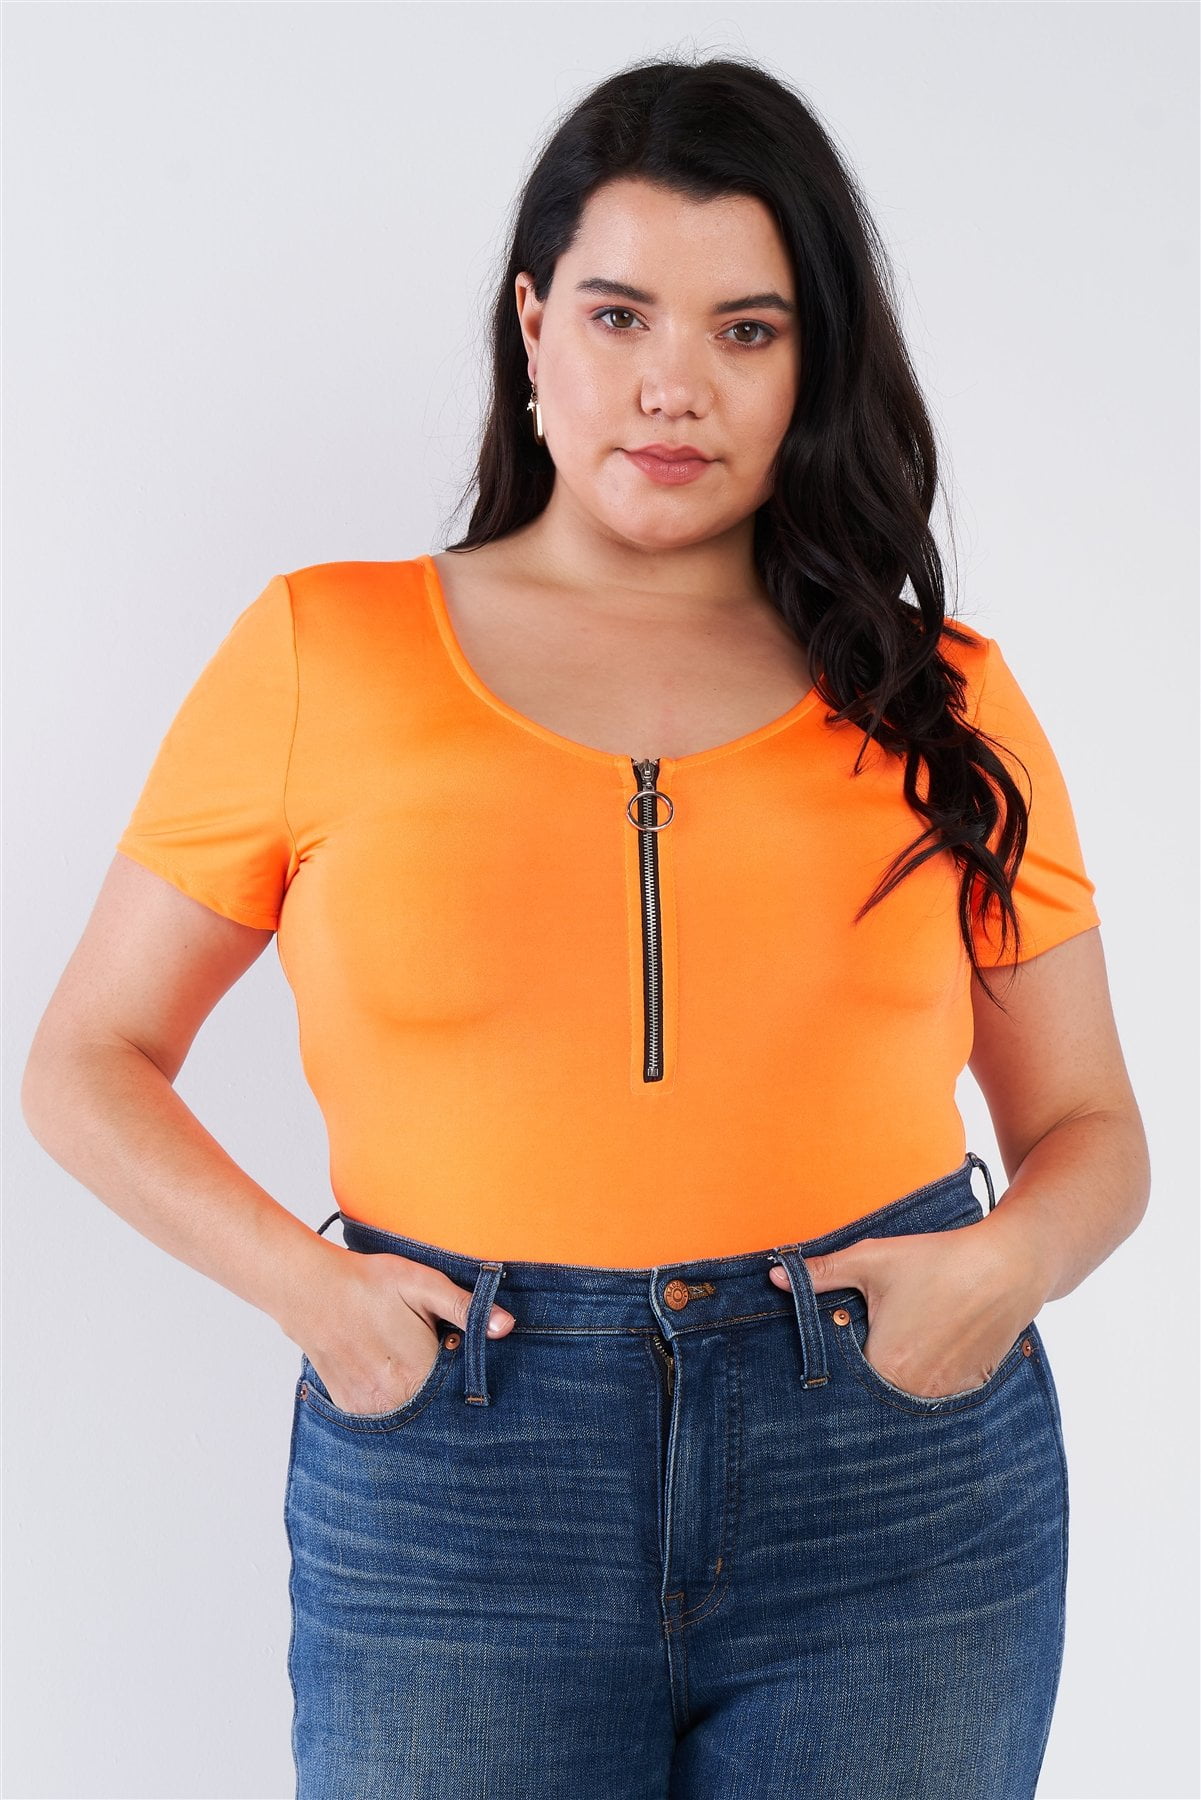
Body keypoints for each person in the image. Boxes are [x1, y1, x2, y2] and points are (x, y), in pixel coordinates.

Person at [21, 51, 1149, 1800]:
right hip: (460, 1467)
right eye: (621, 316)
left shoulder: (943, 700)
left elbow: (1089, 1129)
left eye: (746, 331)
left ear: (811, 365)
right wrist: (308, 1293)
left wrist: (1008, 1269)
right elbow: (88, 1060)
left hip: (893, 1472)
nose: (671, 385)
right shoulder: (325, 650)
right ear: (534, 325)